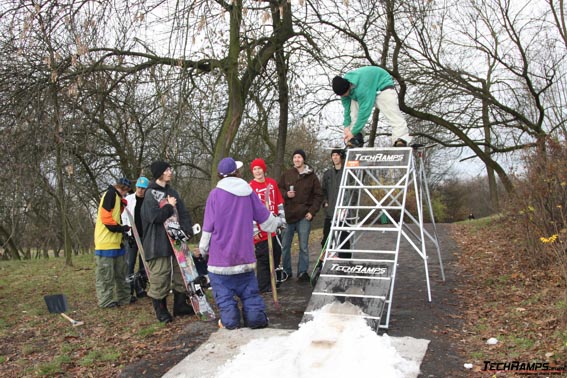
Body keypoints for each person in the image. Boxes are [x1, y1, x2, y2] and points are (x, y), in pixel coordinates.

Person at [198, 157, 283, 329]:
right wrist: (278, 222)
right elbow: (266, 220)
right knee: (250, 295)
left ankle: (230, 321)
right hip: (244, 256)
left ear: (220, 175)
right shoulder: (248, 192)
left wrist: (203, 249)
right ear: (237, 172)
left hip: (220, 260)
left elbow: (207, 226)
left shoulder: (214, 195)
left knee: (225, 299)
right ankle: (256, 319)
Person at [141, 161, 195, 323]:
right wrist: (169, 207)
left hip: (176, 241)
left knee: (181, 273)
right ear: (159, 173)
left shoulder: (173, 192)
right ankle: (161, 310)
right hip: (157, 242)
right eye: (167, 170)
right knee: (160, 275)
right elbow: (154, 217)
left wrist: (187, 230)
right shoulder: (150, 194)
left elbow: (183, 213)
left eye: (170, 169)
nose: (170, 172)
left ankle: (180, 306)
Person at [332, 65, 412, 148]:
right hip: (365, 89)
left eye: (345, 93)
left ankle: (401, 138)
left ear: (348, 86)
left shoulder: (362, 89)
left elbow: (364, 112)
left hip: (382, 85)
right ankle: (356, 137)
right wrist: (346, 127)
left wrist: (352, 132)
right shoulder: (343, 92)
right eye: (342, 95)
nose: (345, 96)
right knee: (353, 109)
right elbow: (347, 110)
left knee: (391, 111)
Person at [278, 149, 323, 282]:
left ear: (303, 159)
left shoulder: (311, 176)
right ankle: (286, 272)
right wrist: (286, 194)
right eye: (295, 157)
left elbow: (318, 195)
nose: (296, 159)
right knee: (285, 245)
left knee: (303, 246)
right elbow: (278, 189)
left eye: (299, 157)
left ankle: (302, 272)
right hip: (288, 215)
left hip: (304, 215)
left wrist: (312, 212)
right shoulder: (287, 174)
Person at [248, 158, 286, 293]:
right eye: (254, 169)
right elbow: (249, 209)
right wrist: (254, 229)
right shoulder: (250, 187)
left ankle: (273, 281)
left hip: (274, 225)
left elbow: (279, 202)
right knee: (263, 256)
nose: (257, 171)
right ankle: (263, 285)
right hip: (260, 228)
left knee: (276, 252)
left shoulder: (272, 184)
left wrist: (282, 220)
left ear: (264, 169)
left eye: (259, 168)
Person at [94, 177, 132, 308]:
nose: (126, 193)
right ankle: (106, 301)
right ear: (122, 188)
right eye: (125, 191)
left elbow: (116, 216)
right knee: (106, 276)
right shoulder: (110, 195)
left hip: (117, 243)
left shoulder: (117, 198)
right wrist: (122, 228)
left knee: (122, 273)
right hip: (105, 243)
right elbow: (107, 220)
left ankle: (124, 297)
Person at [121, 176, 150, 302]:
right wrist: (127, 233)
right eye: (139, 187)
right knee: (129, 263)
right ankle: (129, 290)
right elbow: (124, 217)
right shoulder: (128, 200)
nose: (140, 190)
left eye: (143, 188)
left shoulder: (149, 201)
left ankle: (140, 287)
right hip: (132, 236)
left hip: (146, 236)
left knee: (144, 263)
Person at [321, 148, 351, 259]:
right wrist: (325, 202)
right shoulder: (328, 173)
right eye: (333, 155)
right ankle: (325, 262)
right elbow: (322, 191)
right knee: (326, 240)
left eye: (337, 155)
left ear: (341, 157)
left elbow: (353, 191)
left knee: (344, 240)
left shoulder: (348, 172)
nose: (335, 157)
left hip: (344, 214)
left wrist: (347, 206)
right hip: (330, 213)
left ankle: (345, 264)